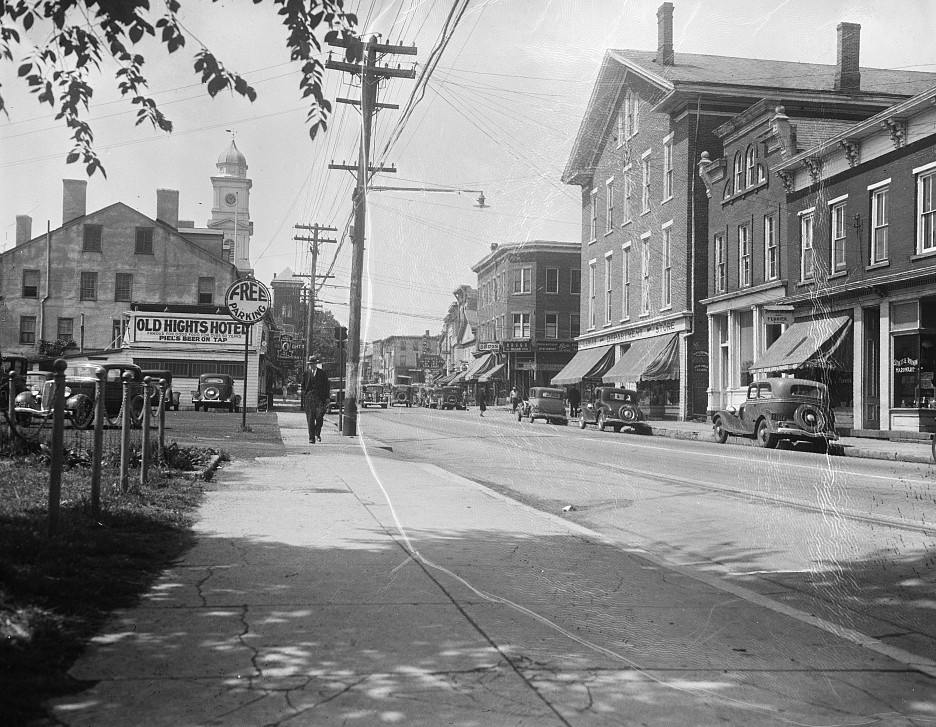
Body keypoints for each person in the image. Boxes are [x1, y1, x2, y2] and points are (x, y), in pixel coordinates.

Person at [301, 355, 330, 443]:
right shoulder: (306, 373)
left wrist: (327, 398)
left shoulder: (322, 373)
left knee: (319, 417)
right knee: (310, 419)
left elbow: (327, 386)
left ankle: (317, 433)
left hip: (320, 399)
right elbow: (303, 386)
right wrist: (303, 398)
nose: (312, 365)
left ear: (316, 364)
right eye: (310, 364)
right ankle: (311, 438)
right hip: (309, 398)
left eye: (313, 364)